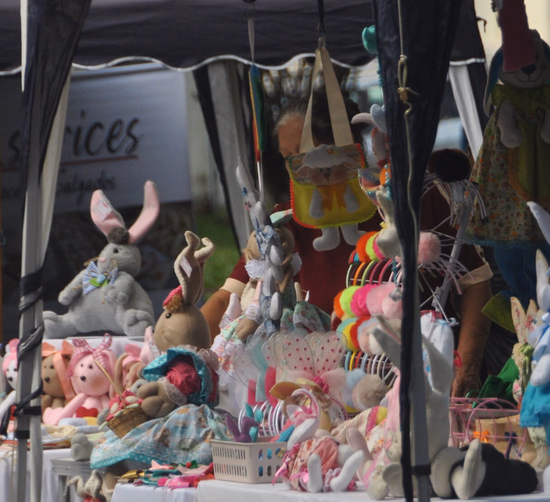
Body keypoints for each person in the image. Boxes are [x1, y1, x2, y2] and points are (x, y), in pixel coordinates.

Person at [202, 91, 493, 398]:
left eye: (303, 155)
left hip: (429, 381)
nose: (298, 169)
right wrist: (188, 356)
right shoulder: (284, 225)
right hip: (331, 392)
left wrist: (465, 367)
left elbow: (475, 282)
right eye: (288, 158)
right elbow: (225, 298)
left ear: (342, 148)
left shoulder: (412, 196)